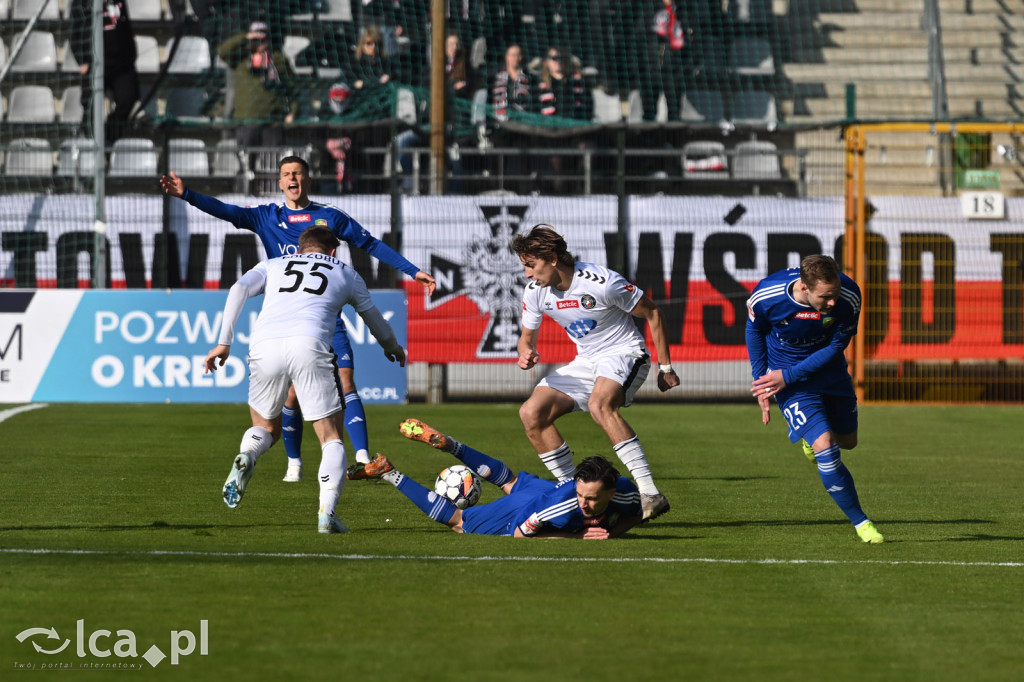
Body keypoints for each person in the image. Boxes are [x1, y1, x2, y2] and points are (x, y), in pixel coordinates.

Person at [160, 156, 436, 483]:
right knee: (291, 396)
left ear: (308, 179)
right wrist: (187, 194)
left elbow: (370, 243)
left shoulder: (329, 216)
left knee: (346, 380)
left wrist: (413, 271)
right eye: (287, 174)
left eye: (299, 174)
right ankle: (294, 464)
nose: (293, 179)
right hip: (289, 316)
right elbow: (228, 211)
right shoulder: (267, 216)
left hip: (323, 316)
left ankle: (362, 458)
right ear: (280, 182)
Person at [205, 226, 406, 533]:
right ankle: (327, 513)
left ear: (298, 250)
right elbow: (373, 318)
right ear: (333, 252)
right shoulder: (347, 273)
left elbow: (237, 289)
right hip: (309, 344)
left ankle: (248, 454)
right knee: (330, 438)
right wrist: (392, 347)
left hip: (265, 344)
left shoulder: (274, 264)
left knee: (264, 427)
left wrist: (223, 342)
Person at [510, 225, 679, 521]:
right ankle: (570, 493)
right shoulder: (535, 291)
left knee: (599, 406)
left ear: (551, 258)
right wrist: (525, 351)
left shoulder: (602, 282)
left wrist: (665, 367)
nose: (527, 274)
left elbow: (653, 313)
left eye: (530, 265)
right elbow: (526, 338)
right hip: (587, 360)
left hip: (625, 352)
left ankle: (651, 493)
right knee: (531, 413)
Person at [745, 254, 885, 544]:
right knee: (827, 446)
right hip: (788, 380)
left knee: (849, 442)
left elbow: (836, 346)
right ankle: (861, 522)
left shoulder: (848, 295)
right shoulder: (767, 295)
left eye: (834, 294)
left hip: (829, 372)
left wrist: (790, 375)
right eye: (825, 297)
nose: (832, 302)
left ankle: (812, 438)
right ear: (804, 287)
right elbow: (755, 331)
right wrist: (763, 381)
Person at [379, 418, 643, 538]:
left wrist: (610, 532)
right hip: (529, 509)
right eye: (581, 495)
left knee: (510, 482)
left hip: (547, 491)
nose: (584, 503)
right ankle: (389, 471)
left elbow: (637, 512)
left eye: (591, 499)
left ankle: (454, 446)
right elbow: (520, 533)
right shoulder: (563, 507)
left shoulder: (625, 490)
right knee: (460, 523)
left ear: (611, 492)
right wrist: (579, 536)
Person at [219, 21, 296, 193]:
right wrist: (245, 38)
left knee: (273, 165)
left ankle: (273, 199)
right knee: (245, 165)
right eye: (256, 36)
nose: (259, 41)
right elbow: (222, 52)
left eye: (263, 36)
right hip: (246, 121)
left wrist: (293, 111)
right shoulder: (240, 57)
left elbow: (292, 88)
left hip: (272, 121)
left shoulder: (278, 59)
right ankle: (244, 197)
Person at [68, 0, 140, 143]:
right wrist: (81, 60)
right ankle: (92, 143)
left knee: (128, 98)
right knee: (90, 107)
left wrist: (131, 54)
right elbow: (73, 31)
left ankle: (110, 137)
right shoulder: (81, 3)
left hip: (122, 63)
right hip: (94, 64)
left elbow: (126, 25)